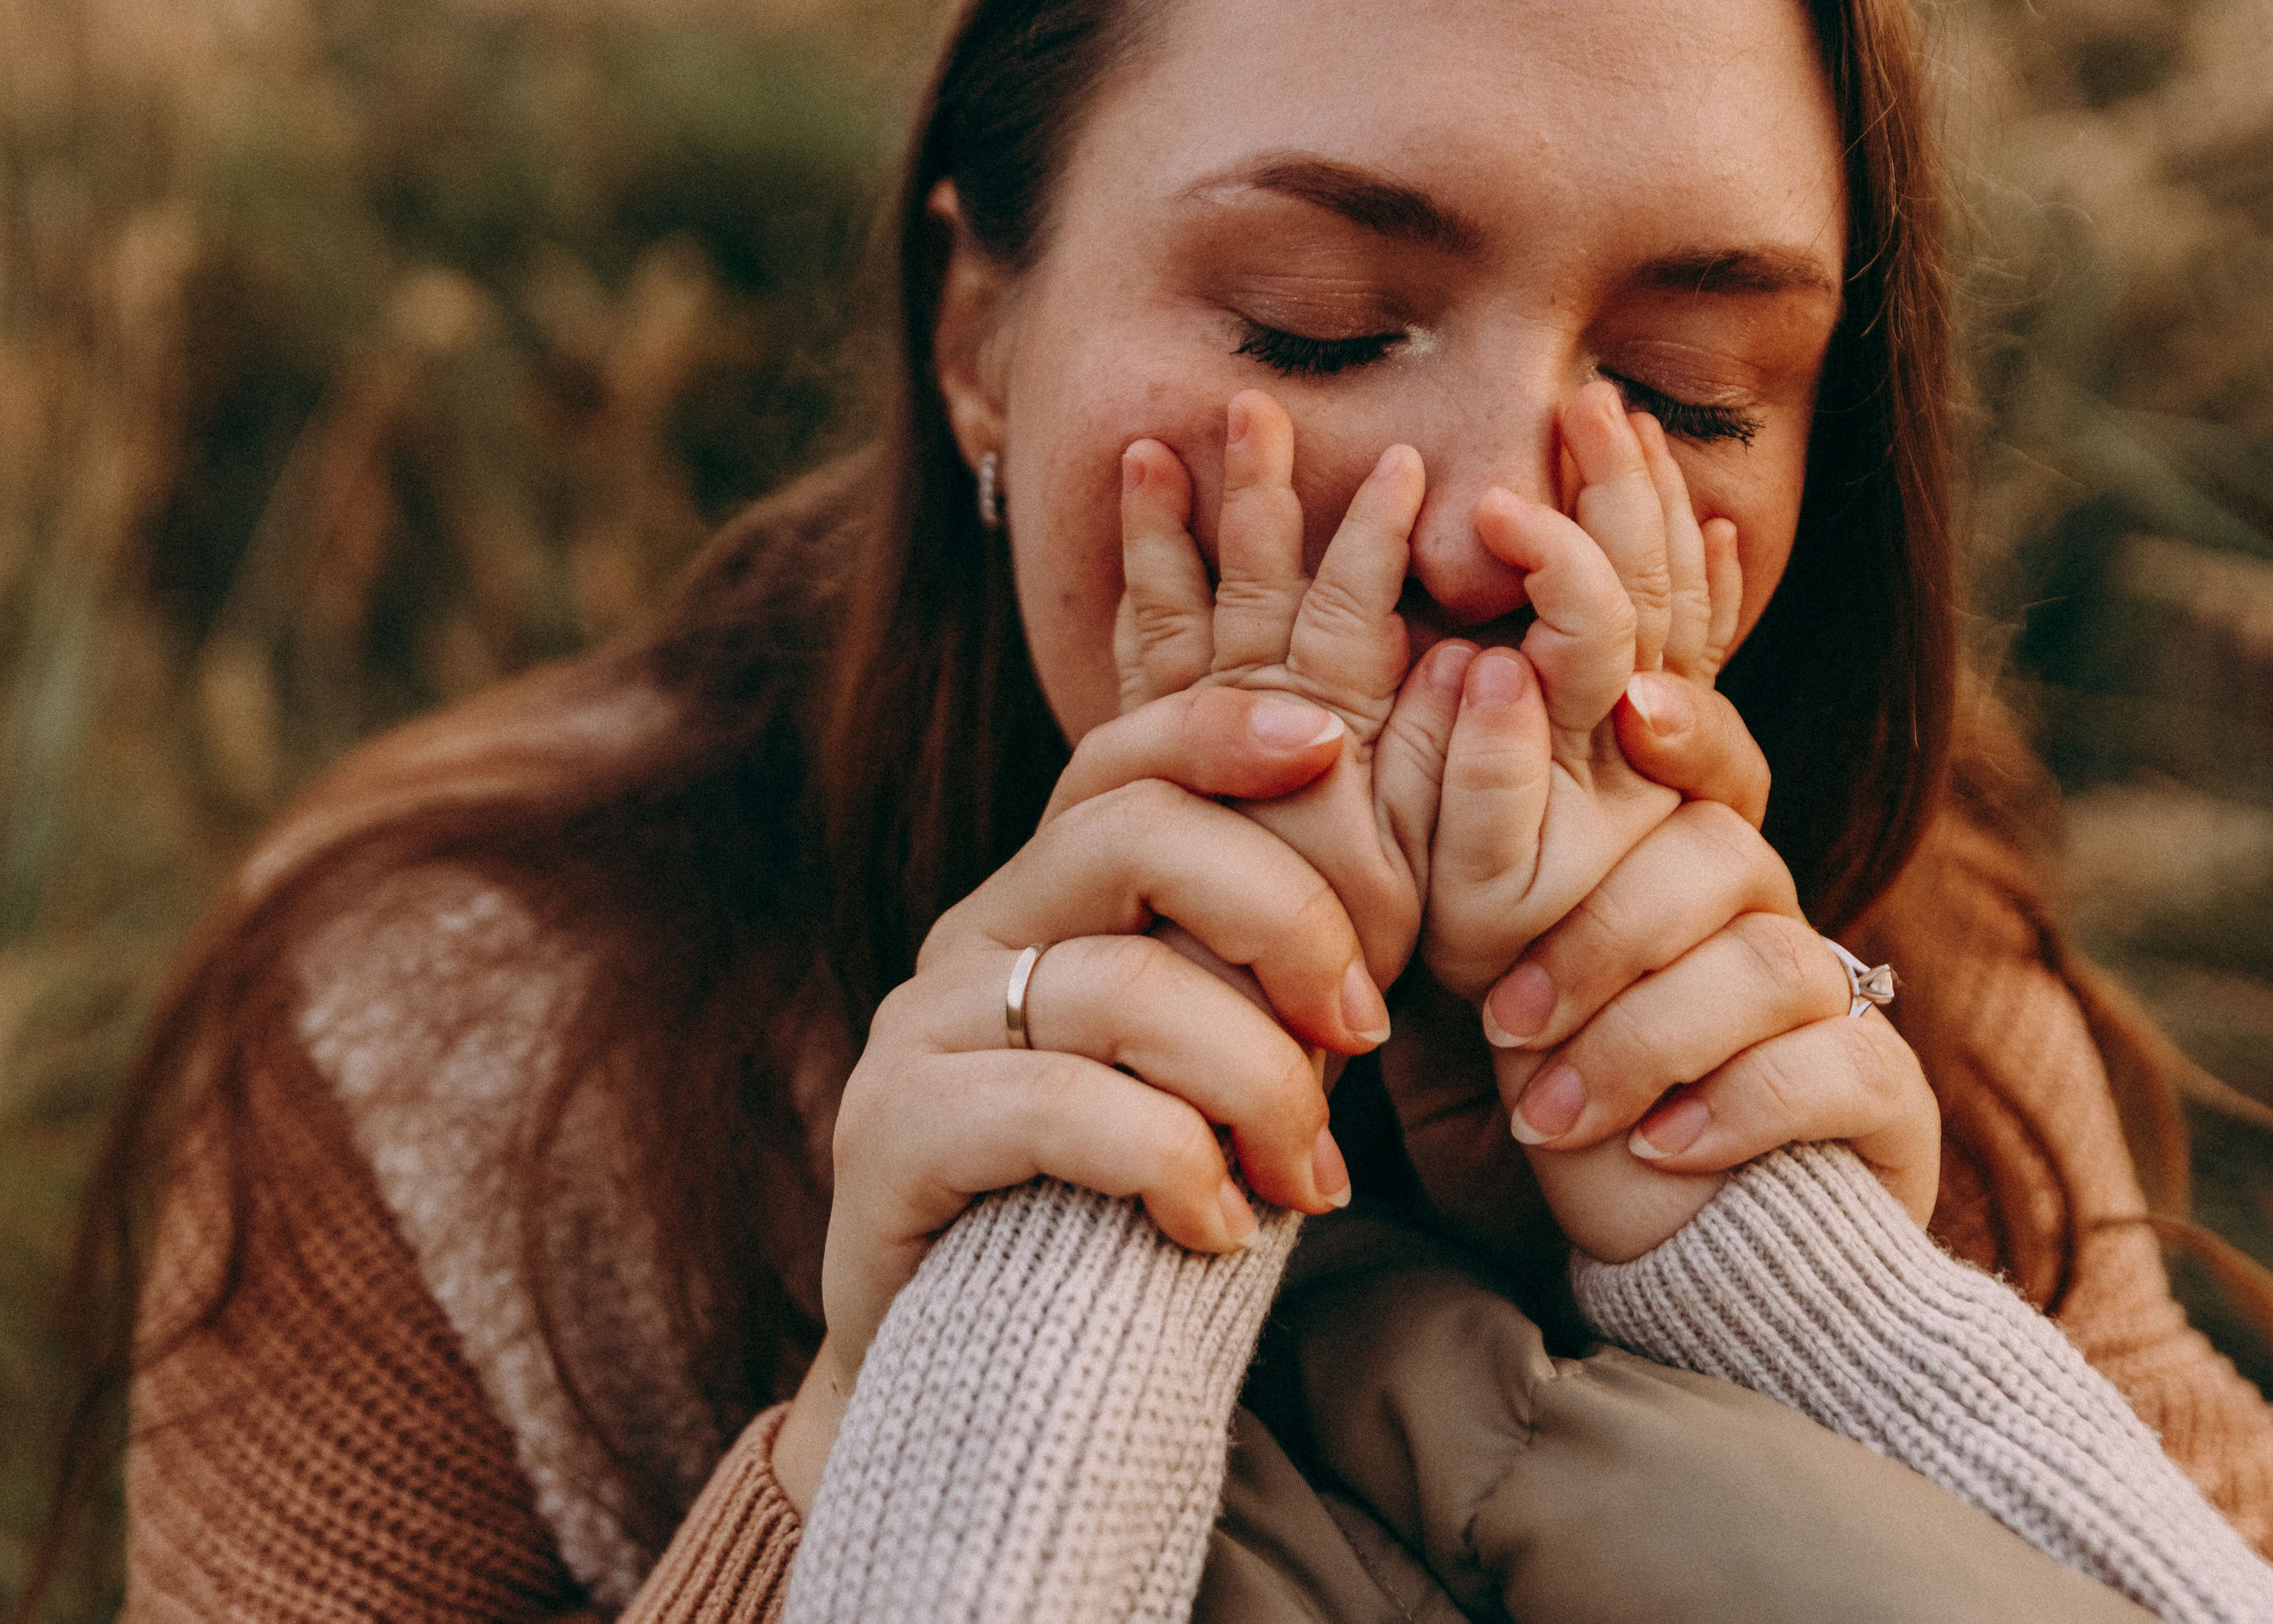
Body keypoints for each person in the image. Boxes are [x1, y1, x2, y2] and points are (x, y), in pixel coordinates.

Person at [75, 0, 2273, 1619]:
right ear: (975, 334)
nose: (1501, 522)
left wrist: (1852, 1309)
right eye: (1312, 332)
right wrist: (857, 1444)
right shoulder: (443, 1028)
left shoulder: (1886, 924)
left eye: (1685, 393)